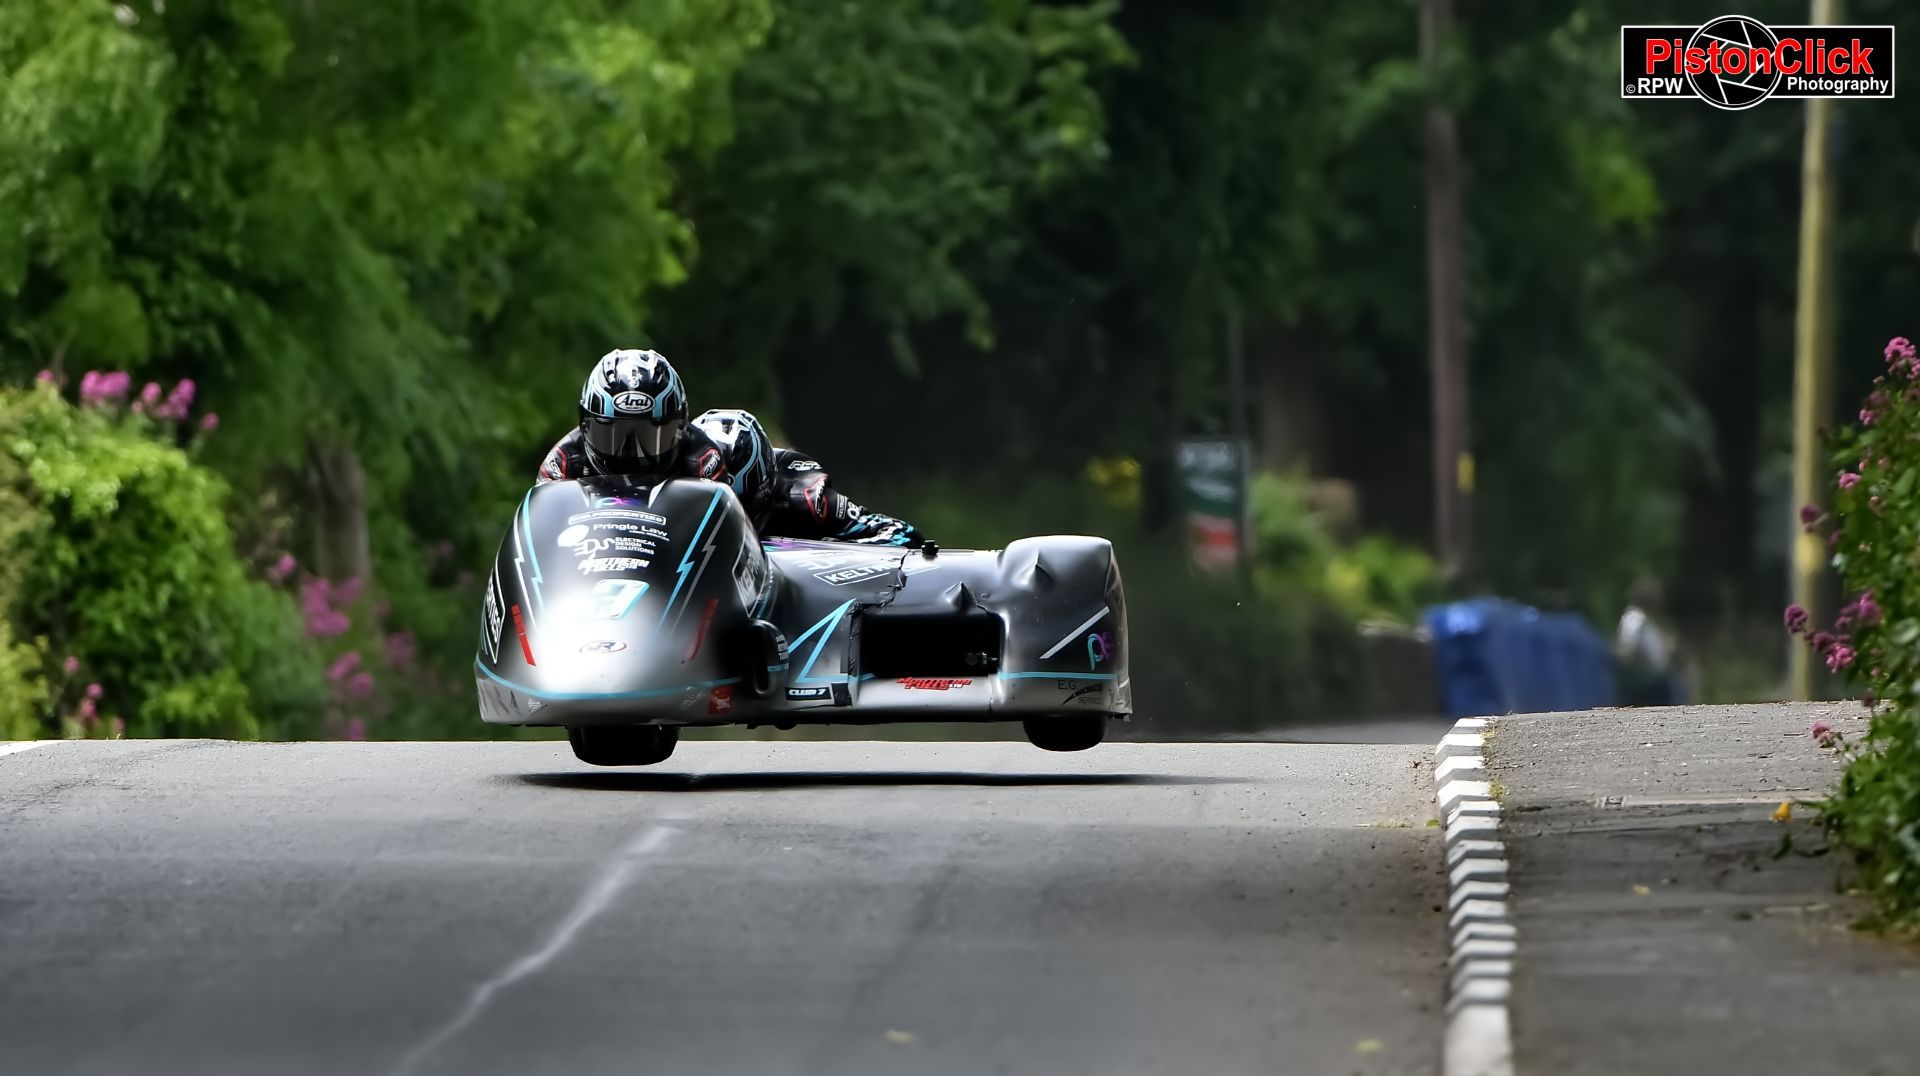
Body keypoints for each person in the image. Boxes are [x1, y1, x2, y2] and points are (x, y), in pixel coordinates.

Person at [536, 348, 925, 546]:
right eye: (615, 437)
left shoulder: (701, 459)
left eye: (648, 437)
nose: (631, 456)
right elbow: (541, 538)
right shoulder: (562, 464)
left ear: (678, 427)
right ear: (587, 426)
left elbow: (712, 540)